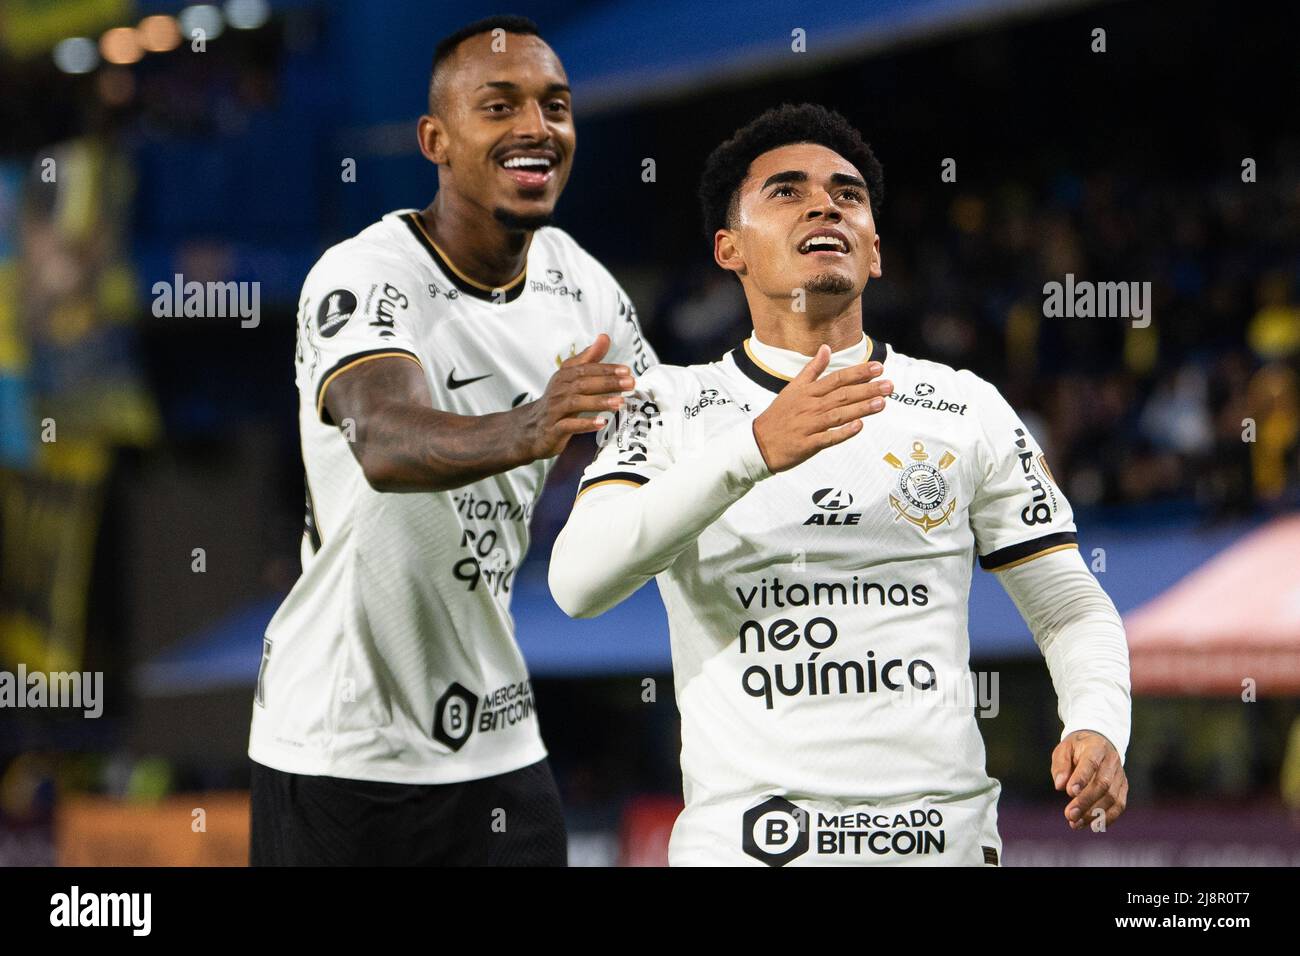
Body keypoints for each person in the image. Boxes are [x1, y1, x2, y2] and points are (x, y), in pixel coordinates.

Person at [549, 103, 1130, 866]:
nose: (826, 203)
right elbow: (577, 582)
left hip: (940, 846)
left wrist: (1097, 721)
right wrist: (753, 450)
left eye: (848, 194)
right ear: (731, 249)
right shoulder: (671, 405)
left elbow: (1068, 606)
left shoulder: (964, 407)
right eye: (787, 192)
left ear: (875, 250)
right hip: (751, 848)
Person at [248, 15, 655, 866]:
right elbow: (382, 438)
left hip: (500, 741)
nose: (535, 128)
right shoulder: (367, 274)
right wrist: (533, 424)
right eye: (499, 106)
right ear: (435, 139)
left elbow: (663, 428)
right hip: (342, 747)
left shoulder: (577, 280)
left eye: (555, 106)